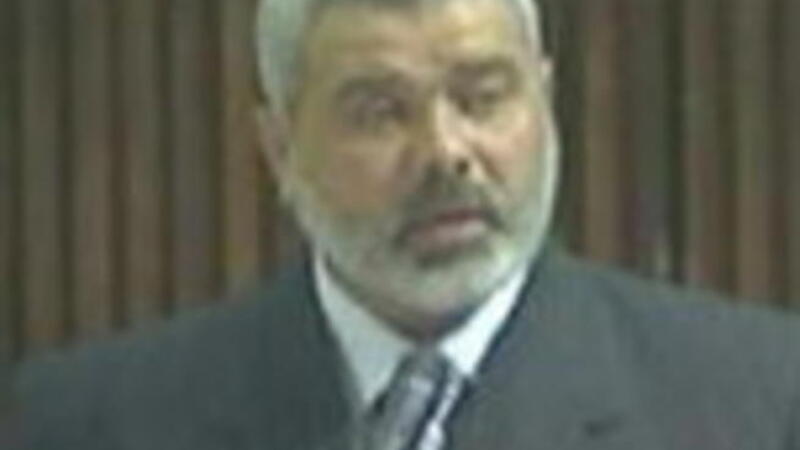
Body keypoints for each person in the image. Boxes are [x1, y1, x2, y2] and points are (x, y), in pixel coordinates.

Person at [8, 0, 800, 448]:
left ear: (545, 101)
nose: (447, 152)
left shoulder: (760, 404)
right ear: (280, 147)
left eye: (483, 96)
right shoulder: (82, 424)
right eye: (380, 112)